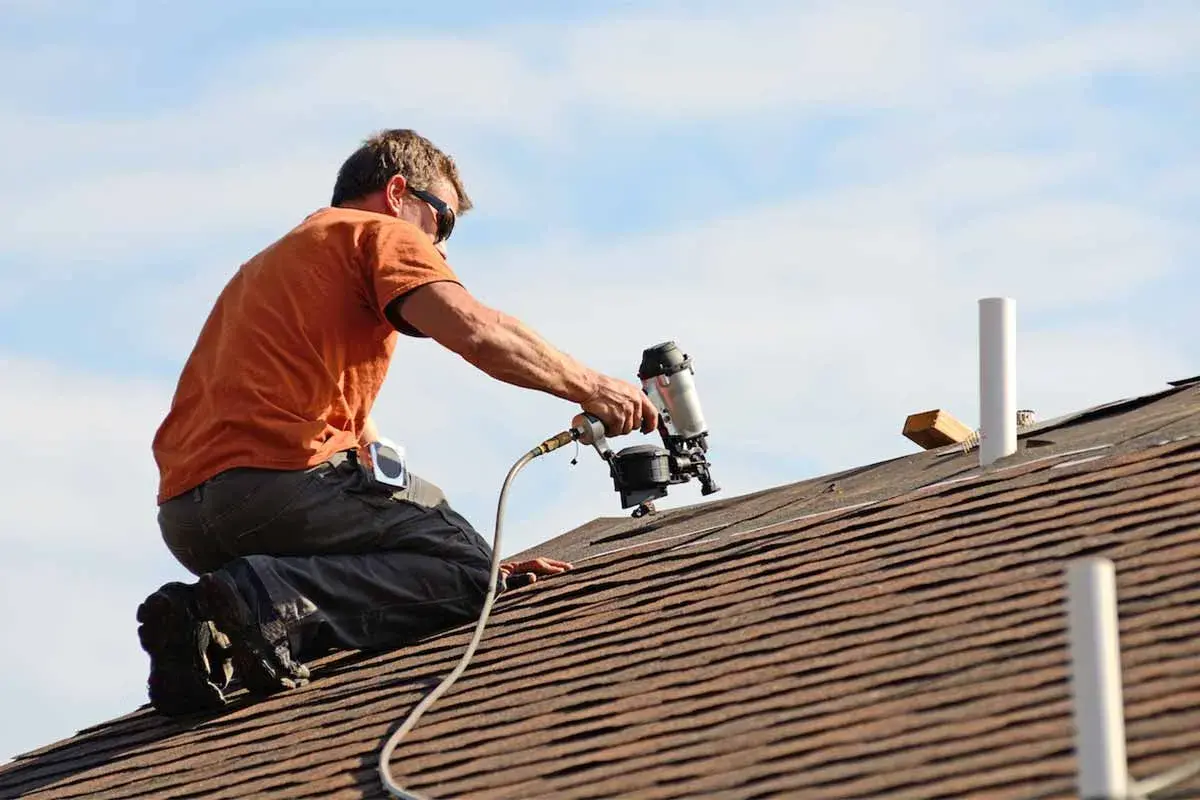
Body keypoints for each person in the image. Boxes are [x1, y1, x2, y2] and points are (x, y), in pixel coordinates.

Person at [138, 128, 659, 716]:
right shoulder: (378, 233)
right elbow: (477, 331)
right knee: (468, 576)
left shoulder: (270, 266)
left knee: (445, 551)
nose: (441, 246)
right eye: (443, 222)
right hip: (278, 486)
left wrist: (453, 552)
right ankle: (264, 600)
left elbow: (360, 454)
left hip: (186, 517)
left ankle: (206, 631)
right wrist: (595, 388)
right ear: (396, 193)